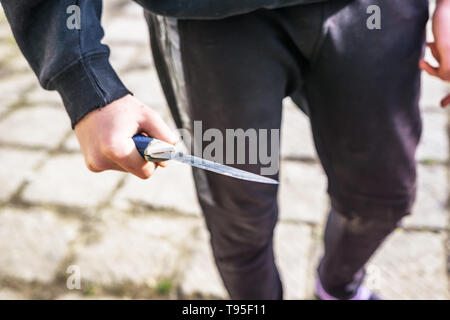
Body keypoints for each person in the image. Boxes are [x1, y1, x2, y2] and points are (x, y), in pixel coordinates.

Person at [2, 0, 449, 300]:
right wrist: (82, 78)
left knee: (383, 196)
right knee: (241, 218)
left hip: (377, 12)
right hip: (208, 19)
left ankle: (338, 287)